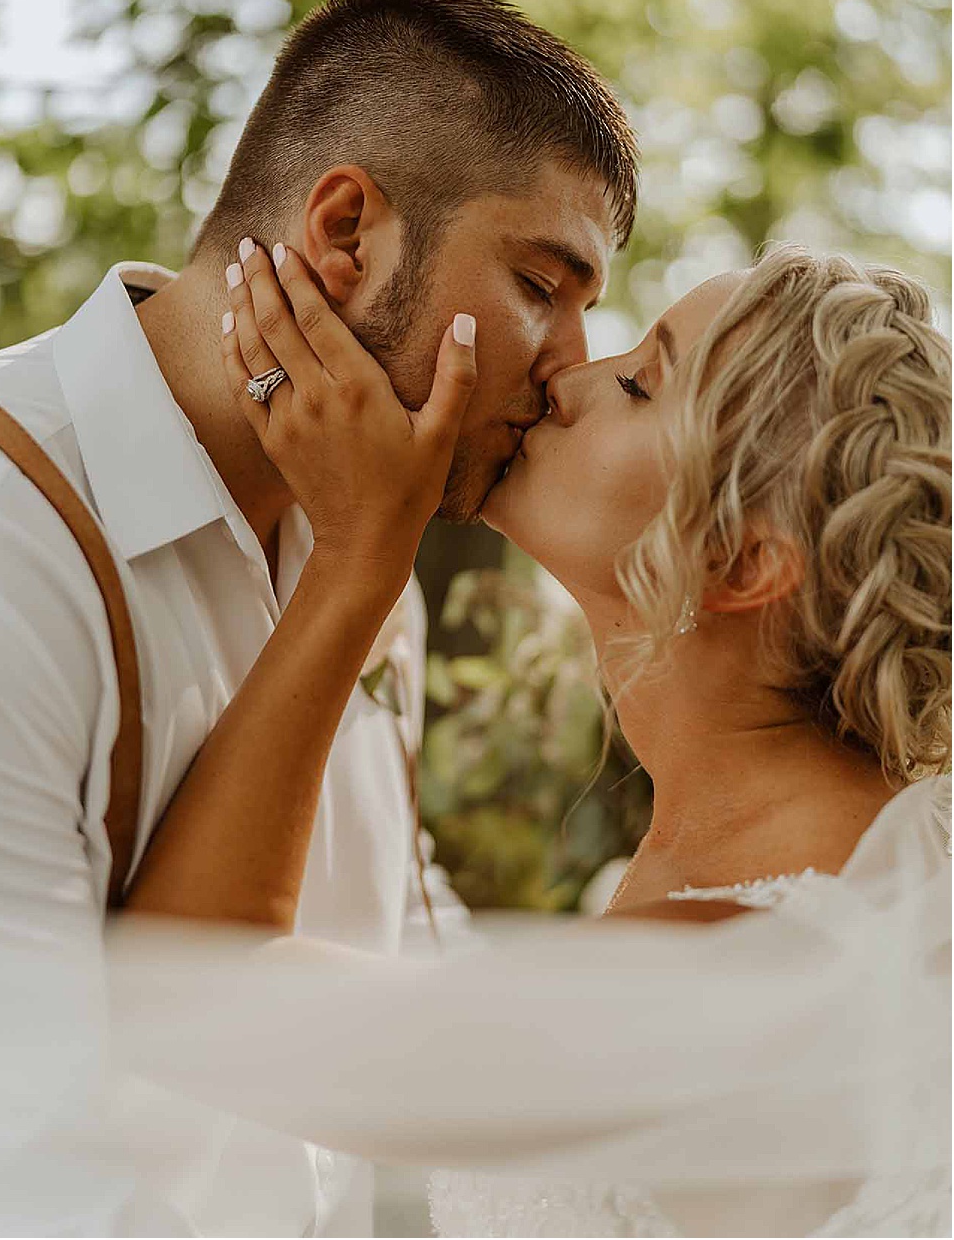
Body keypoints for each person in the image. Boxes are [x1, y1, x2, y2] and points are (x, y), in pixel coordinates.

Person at [0, 0, 636, 1235]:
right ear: (345, 233)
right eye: (542, 286)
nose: (567, 375)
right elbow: (23, 1160)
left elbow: (395, 920)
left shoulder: (365, 527)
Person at [110, 241, 950, 1236]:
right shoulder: (790, 877)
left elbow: (186, 1003)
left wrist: (353, 554)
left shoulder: (729, 979)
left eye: (638, 384)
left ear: (738, 561)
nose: (564, 379)